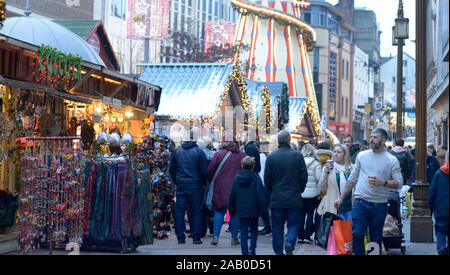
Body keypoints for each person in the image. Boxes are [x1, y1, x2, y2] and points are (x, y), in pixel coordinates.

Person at [334, 128, 403, 255]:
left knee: (375, 238)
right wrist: (341, 197)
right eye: (371, 137)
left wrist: (384, 182)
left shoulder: (391, 160)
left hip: (379, 204)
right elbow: (352, 179)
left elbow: (399, 182)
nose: (371, 140)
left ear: (383, 140)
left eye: (375, 137)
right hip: (360, 202)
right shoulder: (362, 156)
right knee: (357, 233)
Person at [264, 130, 308, 255]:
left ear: (278, 141)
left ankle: (278, 251)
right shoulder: (297, 156)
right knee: (294, 223)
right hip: (294, 197)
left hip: (277, 198)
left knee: (277, 226)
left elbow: (267, 179)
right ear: (289, 141)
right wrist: (300, 189)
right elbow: (303, 176)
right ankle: (289, 242)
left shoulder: (271, 157)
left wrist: (274, 190)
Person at [169, 130, 209, 244]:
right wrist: (202, 183)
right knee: (196, 211)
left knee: (180, 211)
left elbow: (172, 169)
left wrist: (177, 181)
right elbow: (204, 171)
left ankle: (180, 236)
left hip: (181, 185)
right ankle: (196, 237)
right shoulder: (199, 152)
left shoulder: (177, 152)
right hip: (195, 185)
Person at [208, 139, 247, 245]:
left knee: (219, 211)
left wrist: (212, 180)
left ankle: (215, 236)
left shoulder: (218, 154)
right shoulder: (242, 155)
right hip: (237, 188)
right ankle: (234, 237)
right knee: (234, 213)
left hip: (220, 187)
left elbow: (211, 170)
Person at [228, 156, 267, 255]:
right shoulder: (256, 177)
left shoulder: (237, 178)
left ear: (242, 165)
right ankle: (252, 249)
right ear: (253, 166)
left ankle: (244, 252)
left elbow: (232, 194)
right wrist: (263, 211)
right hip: (254, 208)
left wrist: (231, 209)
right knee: (254, 230)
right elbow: (260, 194)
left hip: (241, 208)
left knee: (243, 232)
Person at [317, 144, 354, 220]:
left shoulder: (352, 168)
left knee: (349, 231)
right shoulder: (329, 168)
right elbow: (321, 187)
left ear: (345, 154)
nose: (335, 154)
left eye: (339, 152)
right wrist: (325, 173)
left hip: (350, 206)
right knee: (336, 231)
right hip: (334, 207)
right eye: (334, 152)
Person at [298, 143, 322, 243]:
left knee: (301, 214)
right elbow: (318, 178)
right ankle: (306, 236)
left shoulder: (299, 161)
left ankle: (300, 235)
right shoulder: (316, 163)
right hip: (313, 193)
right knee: (310, 214)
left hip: (301, 192)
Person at [428, 151, 449, 255]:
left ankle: (441, 247)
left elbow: (432, 192)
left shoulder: (439, 174)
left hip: (441, 210)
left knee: (440, 231)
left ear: (446, 160)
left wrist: (431, 208)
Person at [198, 137, 216, 237]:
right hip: (212, 182)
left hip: (202, 182)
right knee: (211, 205)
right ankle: (213, 229)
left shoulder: (200, 155)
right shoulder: (214, 154)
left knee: (202, 206)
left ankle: (203, 229)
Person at [256, 142, 272, 236]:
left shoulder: (261, 156)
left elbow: (261, 172)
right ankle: (267, 226)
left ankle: (267, 226)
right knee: (264, 207)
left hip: (263, 185)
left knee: (263, 207)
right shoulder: (267, 156)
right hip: (266, 185)